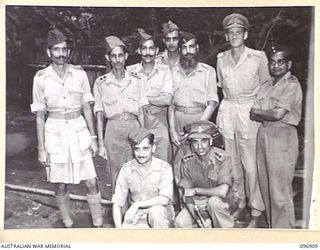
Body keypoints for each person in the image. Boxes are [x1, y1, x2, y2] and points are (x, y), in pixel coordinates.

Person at [31, 28, 103, 228]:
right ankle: (67, 223)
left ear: (68, 52)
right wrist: (41, 148)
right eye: (56, 50)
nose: (61, 54)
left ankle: (98, 224)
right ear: (49, 52)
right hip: (55, 133)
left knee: (91, 181)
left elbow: (87, 107)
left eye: (64, 50)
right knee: (61, 184)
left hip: (78, 130)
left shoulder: (79, 74)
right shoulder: (40, 78)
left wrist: (94, 138)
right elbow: (39, 115)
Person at [216, 13, 270, 227]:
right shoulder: (221, 58)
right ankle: (239, 205)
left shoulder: (258, 57)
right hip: (228, 112)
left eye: (239, 32)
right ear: (227, 36)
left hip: (250, 113)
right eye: (231, 33)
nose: (235, 36)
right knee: (232, 165)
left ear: (245, 34)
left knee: (251, 166)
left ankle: (256, 211)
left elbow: (266, 88)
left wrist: (262, 113)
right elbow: (222, 87)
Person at [250, 45, 303, 228]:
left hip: (282, 135)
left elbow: (277, 114)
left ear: (289, 64)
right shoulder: (266, 85)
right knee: (267, 187)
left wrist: (259, 111)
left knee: (279, 190)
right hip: (264, 133)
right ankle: (274, 228)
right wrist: (263, 112)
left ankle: (285, 232)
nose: (276, 66)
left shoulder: (292, 85)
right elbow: (254, 114)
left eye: (280, 62)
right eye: (272, 62)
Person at [93, 36, 149, 190]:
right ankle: (119, 212)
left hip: (133, 126)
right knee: (116, 175)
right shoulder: (101, 83)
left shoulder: (138, 80)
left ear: (126, 56)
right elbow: (99, 115)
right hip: (113, 129)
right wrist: (100, 144)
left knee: (138, 172)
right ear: (108, 58)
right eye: (113, 56)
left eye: (120, 55)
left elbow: (142, 111)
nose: (117, 60)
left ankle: (137, 212)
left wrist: (144, 136)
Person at [174, 121, 236, 228]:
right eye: (195, 142)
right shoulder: (188, 161)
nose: (199, 146)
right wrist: (198, 218)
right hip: (199, 202)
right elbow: (187, 195)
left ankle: (226, 235)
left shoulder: (223, 158)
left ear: (211, 141)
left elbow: (223, 192)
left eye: (204, 141)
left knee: (213, 203)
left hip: (222, 202)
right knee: (180, 222)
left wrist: (197, 190)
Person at [127, 29, 173, 163]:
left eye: (151, 48)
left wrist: (141, 97)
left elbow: (167, 99)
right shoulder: (130, 72)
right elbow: (128, 100)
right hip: (136, 121)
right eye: (144, 49)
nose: (148, 53)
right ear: (139, 50)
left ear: (157, 50)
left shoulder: (164, 72)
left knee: (162, 162)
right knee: (138, 163)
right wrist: (154, 99)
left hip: (159, 121)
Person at [112, 127, 174, 228]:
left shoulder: (164, 168)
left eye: (145, 149)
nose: (141, 154)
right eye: (137, 149)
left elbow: (165, 199)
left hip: (161, 215)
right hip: (137, 215)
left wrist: (137, 205)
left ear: (153, 148)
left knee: (156, 212)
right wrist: (119, 230)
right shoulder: (126, 169)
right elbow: (117, 202)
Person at [169, 31, 219, 149]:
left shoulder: (208, 71)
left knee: (198, 157)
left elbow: (212, 104)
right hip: (177, 120)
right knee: (179, 160)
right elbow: (170, 105)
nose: (188, 52)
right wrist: (172, 132)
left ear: (197, 48)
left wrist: (197, 128)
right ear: (180, 50)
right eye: (184, 48)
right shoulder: (173, 72)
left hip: (200, 119)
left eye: (191, 47)